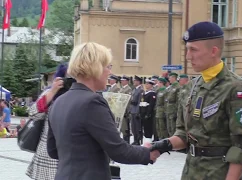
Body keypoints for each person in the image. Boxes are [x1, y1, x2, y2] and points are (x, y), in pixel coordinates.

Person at [149, 21, 242, 180]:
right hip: (191, 171)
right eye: (187, 49)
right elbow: (183, 134)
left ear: (213, 51)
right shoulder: (192, 87)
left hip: (219, 173)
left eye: (193, 50)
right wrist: (161, 146)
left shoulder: (236, 88)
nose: (188, 56)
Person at [47, 42, 159, 180]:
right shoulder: (92, 102)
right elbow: (119, 151)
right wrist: (148, 153)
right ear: (96, 68)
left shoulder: (58, 101)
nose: (110, 72)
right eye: (108, 66)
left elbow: (53, 151)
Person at [26, 64, 68, 180]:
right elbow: (34, 113)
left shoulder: (80, 94)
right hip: (48, 152)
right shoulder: (50, 93)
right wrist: (53, 90)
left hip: (71, 153)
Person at [129, 75, 144, 145]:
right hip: (133, 110)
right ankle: (135, 139)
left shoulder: (141, 90)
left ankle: (138, 140)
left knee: (137, 127)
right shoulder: (134, 89)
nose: (134, 82)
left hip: (137, 111)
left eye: (135, 81)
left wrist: (138, 112)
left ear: (138, 82)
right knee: (133, 127)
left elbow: (140, 102)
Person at [119, 75, 133, 143]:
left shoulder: (128, 89)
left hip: (125, 111)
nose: (122, 81)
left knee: (125, 128)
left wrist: (126, 111)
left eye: (123, 80)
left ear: (127, 81)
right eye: (121, 80)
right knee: (122, 127)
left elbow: (128, 101)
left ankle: (127, 142)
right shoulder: (122, 89)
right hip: (121, 109)